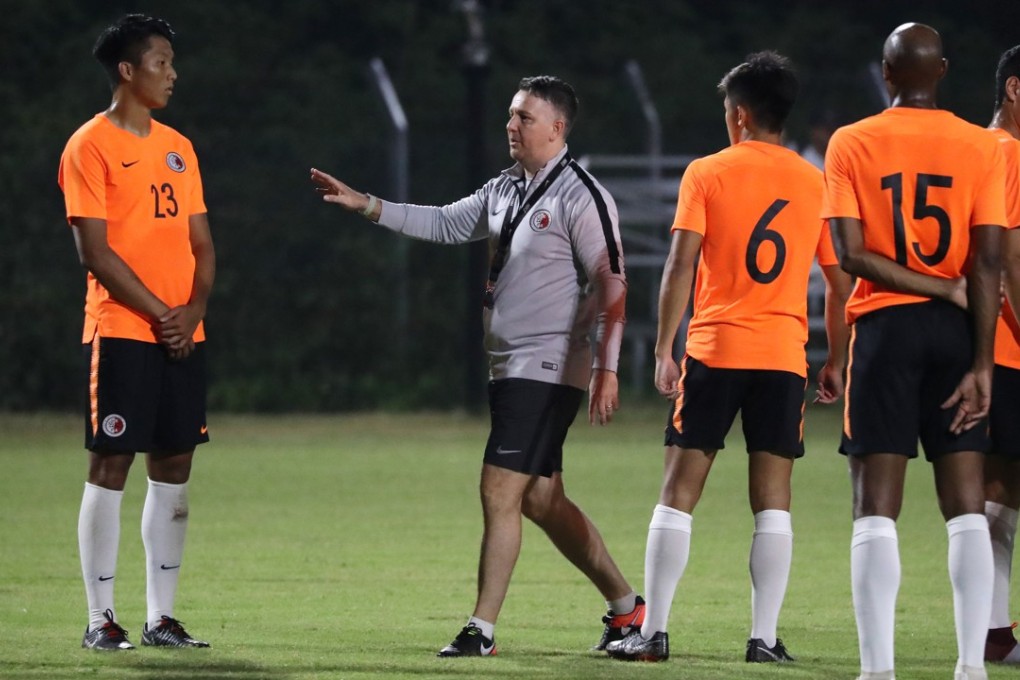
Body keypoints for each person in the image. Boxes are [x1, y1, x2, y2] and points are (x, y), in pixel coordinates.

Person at [310, 75, 643, 657]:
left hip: (546, 366)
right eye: (511, 116)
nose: (511, 126)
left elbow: (612, 283)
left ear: (558, 128)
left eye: (525, 118)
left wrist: (607, 369)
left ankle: (481, 629)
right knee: (540, 498)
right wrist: (366, 204)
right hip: (510, 368)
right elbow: (442, 222)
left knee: (498, 490)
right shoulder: (505, 188)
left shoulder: (581, 194)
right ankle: (627, 609)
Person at [606, 51, 851, 664]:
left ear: (740, 115)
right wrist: (837, 358)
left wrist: (664, 348)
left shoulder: (708, 173)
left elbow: (680, 263)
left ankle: (654, 633)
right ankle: (763, 640)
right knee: (773, 498)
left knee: (678, 490)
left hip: (716, 349)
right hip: (781, 357)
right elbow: (839, 280)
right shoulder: (813, 179)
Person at [822, 23, 1006, 680]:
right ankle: (969, 667)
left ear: (887, 73)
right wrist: (983, 364)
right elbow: (988, 261)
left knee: (876, 506)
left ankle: (878, 672)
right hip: (959, 334)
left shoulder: (852, 141)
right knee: (964, 502)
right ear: (944, 71)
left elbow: (849, 254)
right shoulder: (981, 147)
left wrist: (930, 287)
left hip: (884, 328)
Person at [58, 14, 215, 650]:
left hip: (183, 334)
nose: (172, 73)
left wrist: (193, 312)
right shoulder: (88, 145)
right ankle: (101, 620)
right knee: (111, 463)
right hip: (123, 330)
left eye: (172, 62)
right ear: (127, 70)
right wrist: (161, 313)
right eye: (161, 62)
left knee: (174, 467)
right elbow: (95, 252)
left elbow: (202, 244)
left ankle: (161, 618)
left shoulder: (179, 147)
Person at [983, 43, 1020, 665]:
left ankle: (992, 630)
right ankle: (990, 630)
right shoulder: (1006, 151)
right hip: (1007, 344)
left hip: (995, 343)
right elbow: (1007, 261)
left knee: (1002, 490)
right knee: (997, 488)